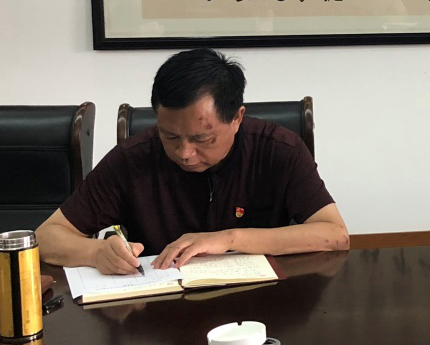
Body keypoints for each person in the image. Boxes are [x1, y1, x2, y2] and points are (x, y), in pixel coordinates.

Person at [36, 48, 349, 274]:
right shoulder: (132, 159)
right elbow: (47, 237)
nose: (184, 152)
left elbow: (335, 235)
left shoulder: (279, 150)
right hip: (163, 314)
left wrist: (230, 238)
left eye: (202, 139)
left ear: (237, 118)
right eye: (170, 136)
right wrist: (97, 252)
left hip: (262, 309)